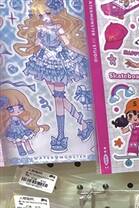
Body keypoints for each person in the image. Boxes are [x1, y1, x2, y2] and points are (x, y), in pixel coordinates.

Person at [14, 0, 94, 152]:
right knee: (59, 98)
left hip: (60, 63)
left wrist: (85, 55)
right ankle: (84, 124)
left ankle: (61, 136)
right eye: (41, 15)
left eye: (48, 13)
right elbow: (37, 44)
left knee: (58, 99)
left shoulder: (58, 28)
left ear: (55, 12)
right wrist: (34, 42)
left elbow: (68, 45)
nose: (45, 17)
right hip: (44, 64)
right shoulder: (39, 29)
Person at [0, 87, 49, 157]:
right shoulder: (9, 120)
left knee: (26, 140)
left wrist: (30, 120)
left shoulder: (21, 118)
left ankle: (29, 149)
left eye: (20, 107)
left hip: (22, 130)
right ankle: (21, 151)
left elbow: (24, 123)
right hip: (14, 132)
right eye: (11, 109)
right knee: (18, 142)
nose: (17, 111)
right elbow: (6, 125)